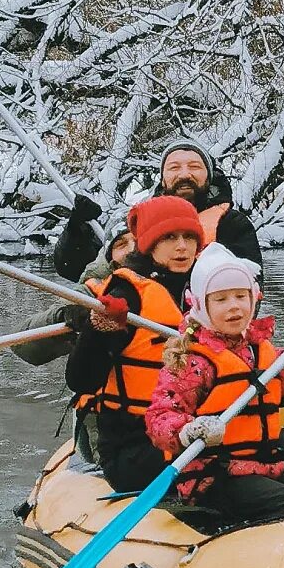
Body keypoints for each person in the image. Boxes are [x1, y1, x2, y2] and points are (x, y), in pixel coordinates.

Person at [145, 245, 284, 527]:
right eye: (221, 299)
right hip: (214, 477)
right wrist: (189, 430)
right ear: (202, 306)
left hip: (261, 468)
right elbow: (160, 417)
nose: (234, 306)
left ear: (254, 298)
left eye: (241, 296)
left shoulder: (257, 351)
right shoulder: (192, 360)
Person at [63, 196, 204, 491]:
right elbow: (81, 379)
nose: (182, 246)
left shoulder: (207, 287)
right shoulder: (127, 294)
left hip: (194, 430)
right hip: (135, 445)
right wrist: (98, 328)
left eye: (189, 236)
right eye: (170, 237)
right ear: (149, 242)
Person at [52, 139, 261, 283]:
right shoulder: (138, 219)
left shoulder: (233, 224)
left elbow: (248, 289)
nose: (185, 174)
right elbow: (73, 269)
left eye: (195, 167)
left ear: (208, 176)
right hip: (140, 322)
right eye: (174, 168)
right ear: (163, 178)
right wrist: (77, 229)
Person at [11, 222, 136, 369]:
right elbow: (22, 346)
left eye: (139, 242)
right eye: (121, 245)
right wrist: (62, 317)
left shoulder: (167, 279)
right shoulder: (91, 292)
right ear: (109, 255)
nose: (132, 250)